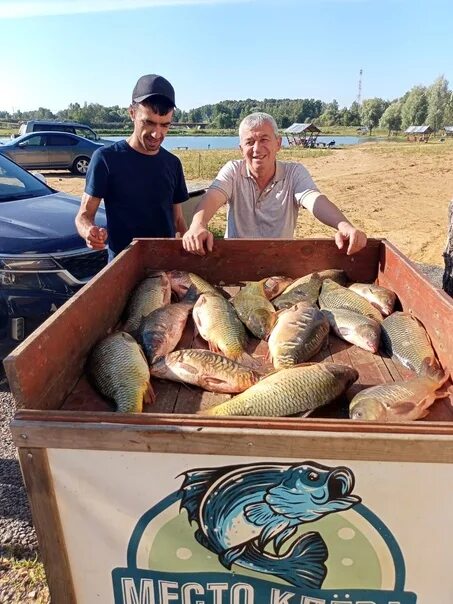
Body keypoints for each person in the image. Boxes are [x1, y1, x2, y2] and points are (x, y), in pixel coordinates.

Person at [182, 112, 367, 256]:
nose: (256, 148)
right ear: (241, 149)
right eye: (249, 142)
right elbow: (213, 196)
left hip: (281, 262)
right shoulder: (233, 170)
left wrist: (343, 225)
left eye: (264, 139)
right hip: (236, 260)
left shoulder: (295, 173)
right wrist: (198, 224)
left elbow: (314, 200)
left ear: (278, 143)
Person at [76, 74, 189, 260]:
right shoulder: (105, 158)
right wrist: (89, 231)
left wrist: (188, 253)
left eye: (165, 125)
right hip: (123, 268)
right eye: (149, 122)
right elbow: (83, 216)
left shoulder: (173, 163)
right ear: (132, 113)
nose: (157, 133)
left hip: (165, 266)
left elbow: (178, 220)